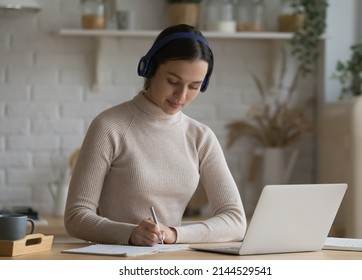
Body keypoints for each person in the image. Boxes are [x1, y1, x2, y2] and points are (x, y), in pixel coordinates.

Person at [64, 24, 247, 246]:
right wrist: (130, 234)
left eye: (194, 86)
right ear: (149, 68)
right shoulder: (109, 126)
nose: (181, 95)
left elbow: (235, 221)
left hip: (171, 258)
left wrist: (174, 234)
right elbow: (76, 216)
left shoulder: (201, 137)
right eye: (173, 81)